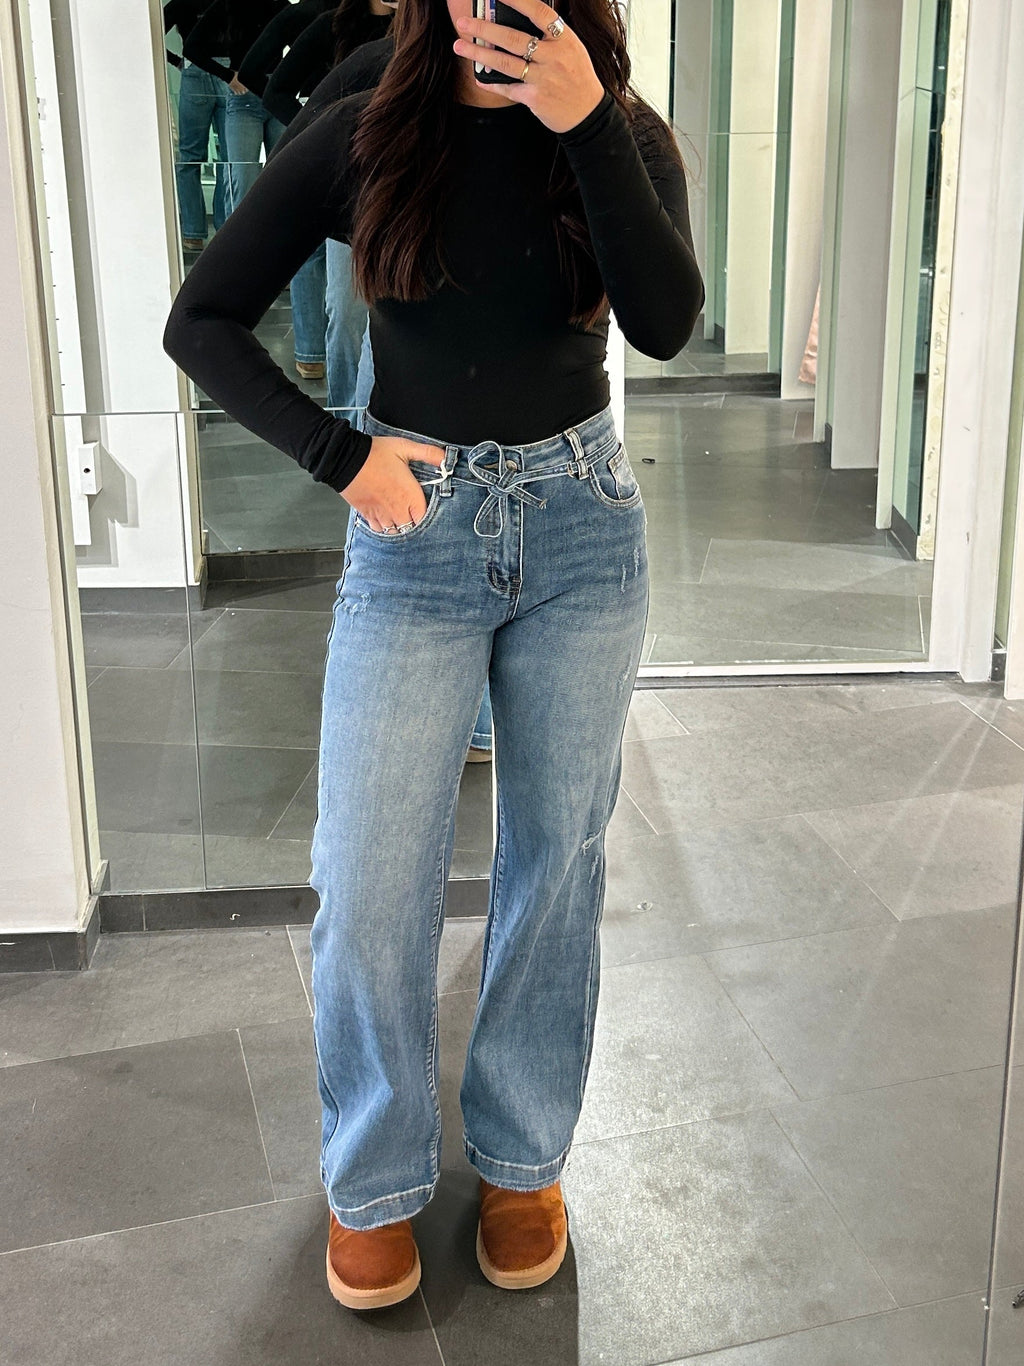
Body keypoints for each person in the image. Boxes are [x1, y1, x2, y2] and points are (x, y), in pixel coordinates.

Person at [164, 0, 703, 1312]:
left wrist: (586, 124)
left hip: (581, 529)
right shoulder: (370, 124)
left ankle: (524, 1159)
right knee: (366, 876)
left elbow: (667, 322)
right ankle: (374, 1174)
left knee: (555, 864)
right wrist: (338, 453)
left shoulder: (622, 132)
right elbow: (204, 318)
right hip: (415, 533)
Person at [182, 0, 290, 213]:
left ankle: (275, 233)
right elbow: (191, 48)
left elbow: (306, 45)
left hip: (276, 95)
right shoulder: (229, 4)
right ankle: (240, 234)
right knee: (242, 182)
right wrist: (228, 76)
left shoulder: (280, 5)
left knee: (283, 178)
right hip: (246, 98)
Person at [165, 0, 229, 250]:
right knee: (230, 158)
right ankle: (226, 228)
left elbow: (153, 32)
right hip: (230, 71)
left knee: (190, 157)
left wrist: (176, 61)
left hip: (194, 69)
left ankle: (193, 232)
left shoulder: (183, 2)